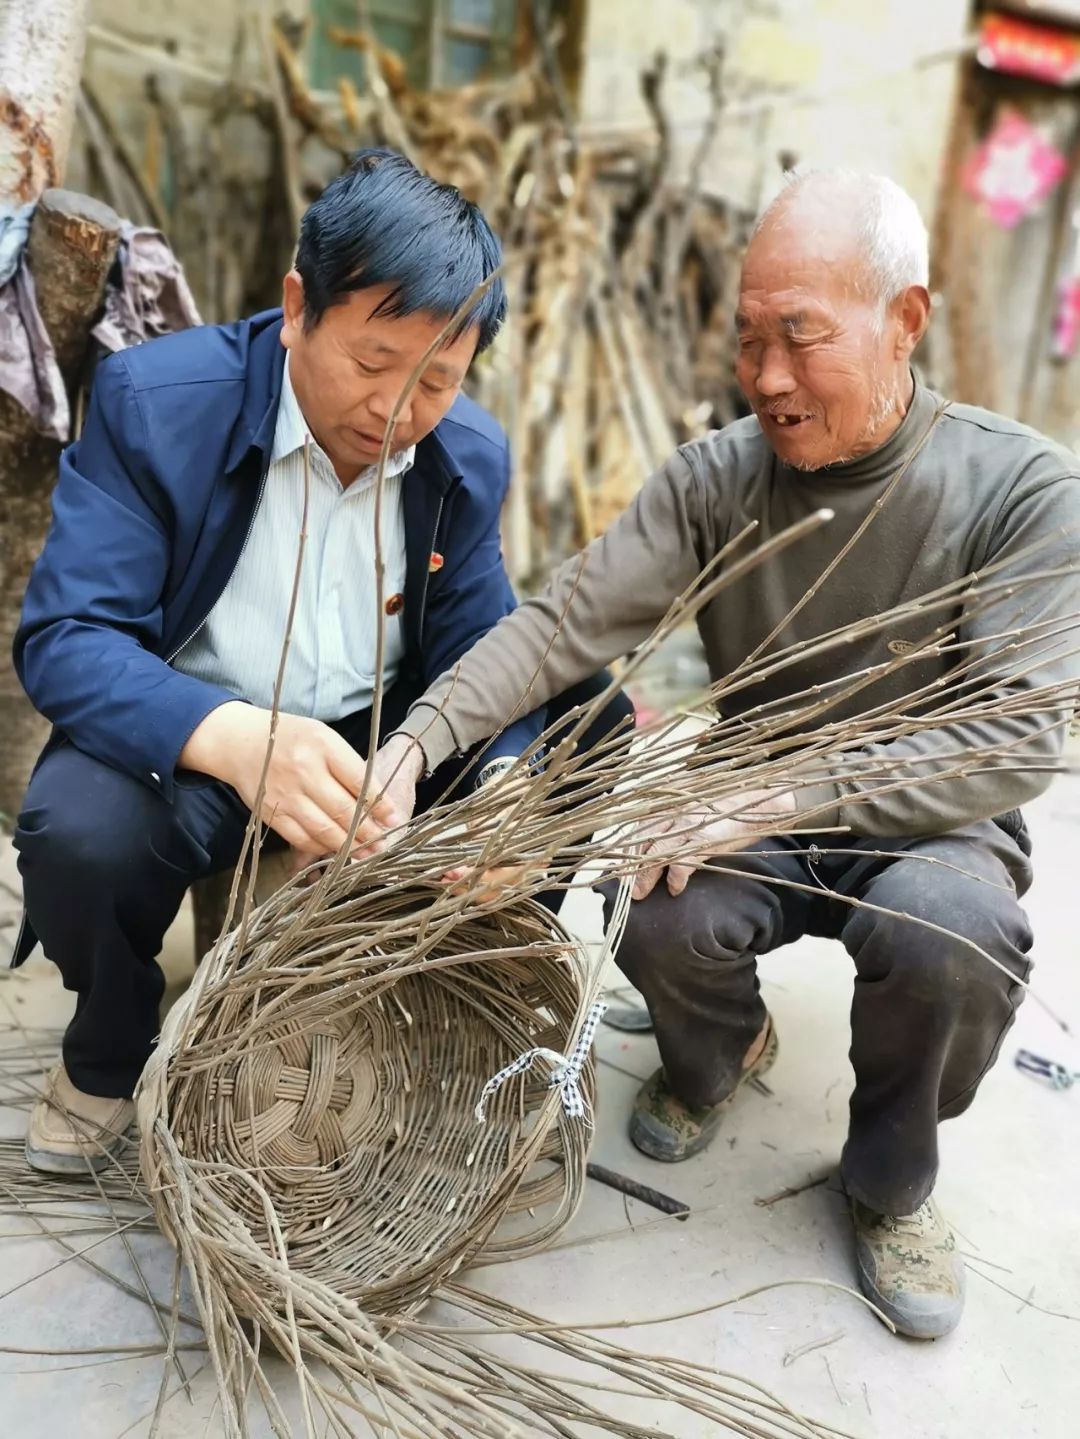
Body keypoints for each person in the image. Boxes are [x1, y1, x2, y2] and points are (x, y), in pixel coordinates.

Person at [365, 170, 1080, 1339]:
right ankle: (720, 1049)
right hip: (749, 807)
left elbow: (1012, 739)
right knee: (651, 906)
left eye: (802, 335)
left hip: (930, 821)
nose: (769, 376)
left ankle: (893, 1182)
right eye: (750, 339)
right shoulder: (718, 478)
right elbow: (562, 624)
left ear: (905, 320)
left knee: (950, 933)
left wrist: (792, 787)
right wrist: (418, 740)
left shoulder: (1020, 488)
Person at [11, 149, 631, 1176]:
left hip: (373, 749)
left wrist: (503, 793)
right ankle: (109, 1047)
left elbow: (489, 654)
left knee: (586, 719)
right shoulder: (158, 403)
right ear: (299, 306)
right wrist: (239, 741)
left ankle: (448, 1010)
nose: (398, 410)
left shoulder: (464, 456)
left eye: (436, 379)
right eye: (375, 362)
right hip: (203, 733)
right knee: (79, 832)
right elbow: (68, 637)